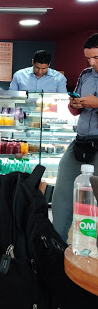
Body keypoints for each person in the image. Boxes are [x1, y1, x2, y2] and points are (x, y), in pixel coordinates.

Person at [52, 33, 98, 241]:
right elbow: (74, 110)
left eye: (96, 57)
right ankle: (55, 246)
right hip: (80, 141)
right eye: (88, 58)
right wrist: (75, 104)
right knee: (62, 194)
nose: (92, 63)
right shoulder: (86, 75)